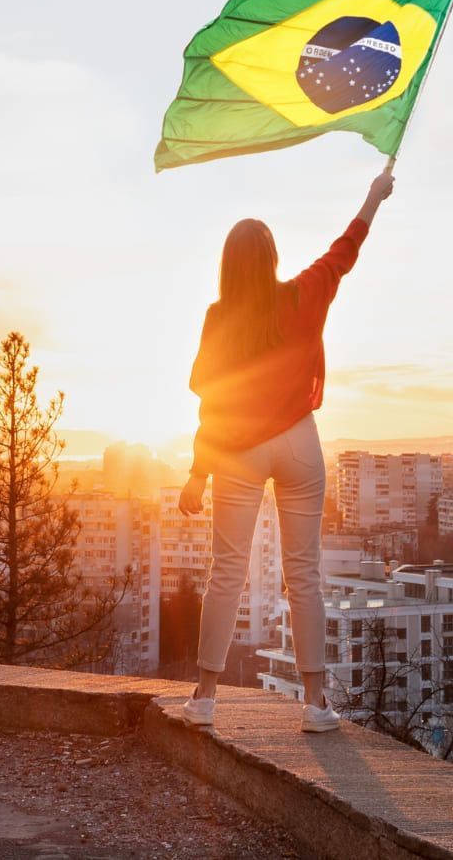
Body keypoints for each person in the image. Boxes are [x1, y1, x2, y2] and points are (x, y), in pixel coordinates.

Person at [178, 169, 395, 733]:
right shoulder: (303, 293)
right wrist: (374, 194)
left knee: (226, 572)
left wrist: (197, 474)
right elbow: (345, 250)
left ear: (227, 265)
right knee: (305, 576)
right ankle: (317, 706)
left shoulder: (218, 318)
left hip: (238, 449)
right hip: (298, 443)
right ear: (272, 259)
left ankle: (204, 698)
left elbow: (214, 404)